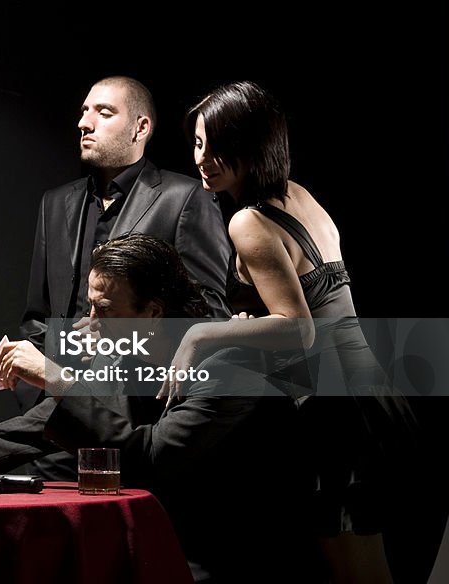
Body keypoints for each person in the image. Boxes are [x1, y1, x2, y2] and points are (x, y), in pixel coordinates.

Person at [0, 232, 320, 582]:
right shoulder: (124, 351)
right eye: (89, 305)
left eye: (104, 309)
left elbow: (151, 458)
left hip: (234, 562)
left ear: (153, 312)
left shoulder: (228, 365)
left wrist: (56, 376)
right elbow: (33, 426)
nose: (89, 323)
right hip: (163, 547)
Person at [174, 81, 417, 584]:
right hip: (373, 397)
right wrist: (249, 327)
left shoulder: (247, 220)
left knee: (358, 573)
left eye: (219, 145)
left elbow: (299, 330)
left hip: (337, 411)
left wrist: (201, 335)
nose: (203, 158)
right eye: (198, 143)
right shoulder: (301, 197)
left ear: (254, 144)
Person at [15, 75, 233, 479]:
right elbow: (36, 319)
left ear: (141, 127)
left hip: (136, 421)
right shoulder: (55, 203)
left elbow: (208, 317)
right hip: (58, 421)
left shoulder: (185, 198)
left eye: (104, 112)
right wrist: (44, 396)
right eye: (83, 112)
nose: (85, 122)